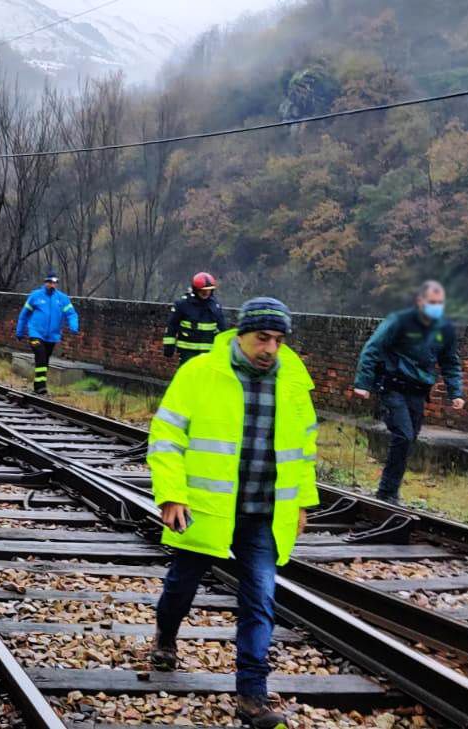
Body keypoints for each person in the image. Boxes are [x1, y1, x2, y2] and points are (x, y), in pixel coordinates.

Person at [146, 297, 318, 729]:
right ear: (240, 335)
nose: (271, 349)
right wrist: (171, 495)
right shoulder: (200, 373)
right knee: (181, 586)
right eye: (263, 338)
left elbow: (304, 450)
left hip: (263, 513)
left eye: (278, 340)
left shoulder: (293, 383)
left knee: (260, 600)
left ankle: (252, 695)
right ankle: (166, 635)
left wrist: (301, 502)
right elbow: (166, 436)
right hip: (206, 508)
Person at [352, 280, 464, 505]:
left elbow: (450, 362)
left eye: (440, 303)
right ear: (419, 301)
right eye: (432, 302)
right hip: (392, 386)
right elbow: (372, 349)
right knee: (402, 434)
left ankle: (390, 489)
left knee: (410, 437)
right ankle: (387, 492)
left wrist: (456, 393)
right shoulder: (399, 322)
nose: (436, 307)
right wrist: (363, 383)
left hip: (418, 391)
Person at [15, 271, 79, 395]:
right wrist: (20, 331)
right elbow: (24, 315)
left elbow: (71, 314)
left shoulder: (62, 299)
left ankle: (39, 386)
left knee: (45, 360)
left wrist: (73, 325)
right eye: (50, 282)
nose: (52, 285)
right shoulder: (35, 296)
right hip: (36, 333)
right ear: (45, 282)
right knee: (40, 355)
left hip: (52, 336)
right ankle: (40, 386)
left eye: (54, 283)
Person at [163, 271, 226, 365]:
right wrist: (169, 346)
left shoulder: (215, 305)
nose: (206, 293)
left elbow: (222, 329)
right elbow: (172, 325)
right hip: (188, 353)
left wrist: (224, 349)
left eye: (209, 290)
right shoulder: (183, 304)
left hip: (208, 354)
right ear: (196, 290)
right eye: (203, 290)